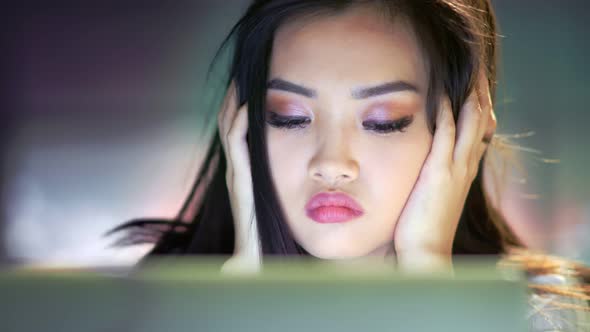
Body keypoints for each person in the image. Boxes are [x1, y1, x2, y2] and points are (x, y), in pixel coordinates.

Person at [108, 0, 589, 330]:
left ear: (465, 130)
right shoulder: (156, 311)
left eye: (384, 121)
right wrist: (241, 309)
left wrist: (428, 282)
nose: (332, 164)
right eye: (289, 117)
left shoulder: (551, 313)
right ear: (245, 125)